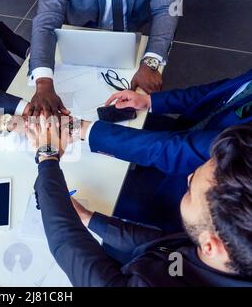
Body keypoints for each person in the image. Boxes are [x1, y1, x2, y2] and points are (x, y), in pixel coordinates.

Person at [28, 121, 252, 286]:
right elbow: (165, 243)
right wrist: (88, 218)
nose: (188, 177)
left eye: (191, 191)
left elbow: (68, 245)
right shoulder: (228, 248)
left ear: (211, 246)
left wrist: (47, 156)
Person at [72, 69, 252, 231]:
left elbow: (177, 150)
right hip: (183, 131)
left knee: (94, 192)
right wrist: (149, 101)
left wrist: (83, 130)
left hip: (182, 187)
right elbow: (220, 92)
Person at [28, 0, 180, 118]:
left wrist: (151, 62)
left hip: (133, 35)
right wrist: (43, 81)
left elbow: (170, 9)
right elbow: (45, 21)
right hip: (82, 37)